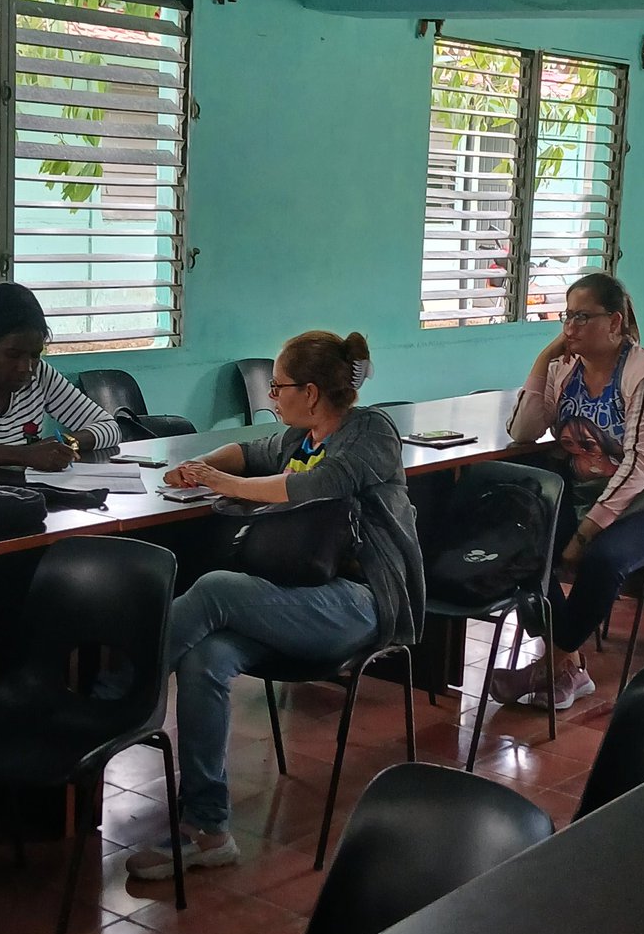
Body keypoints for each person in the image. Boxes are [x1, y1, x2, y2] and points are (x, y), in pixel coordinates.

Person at [126, 330, 425, 879]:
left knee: (216, 588)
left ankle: (122, 696)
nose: (271, 396)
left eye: (279, 387)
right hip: (296, 598)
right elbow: (249, 453)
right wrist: (200, 466)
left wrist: (222, 483)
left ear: (310, 392)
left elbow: (317, 487)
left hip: (360, 602)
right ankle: (208, 829)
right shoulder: (299, 438)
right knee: (206, 657)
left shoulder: (370, 432)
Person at [490, 273, 644, 711]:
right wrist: (544, 357)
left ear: (615, 322)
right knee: (524, 543)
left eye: (582, 317)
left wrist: (584, 534)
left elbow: (640, 467)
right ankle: (567, 665)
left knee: (602, 560)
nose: (570, 327)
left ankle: (552, 666)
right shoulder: (564, 369)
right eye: (566, 316)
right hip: (582, 494)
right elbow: (523, 431)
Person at [0, 281, 120, 467]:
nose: (26, 367)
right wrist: (24, 455)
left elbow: (109, 427)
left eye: (35, 355)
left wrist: (64, 443)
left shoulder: (40, 375)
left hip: (24, 488)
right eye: (13, 354)